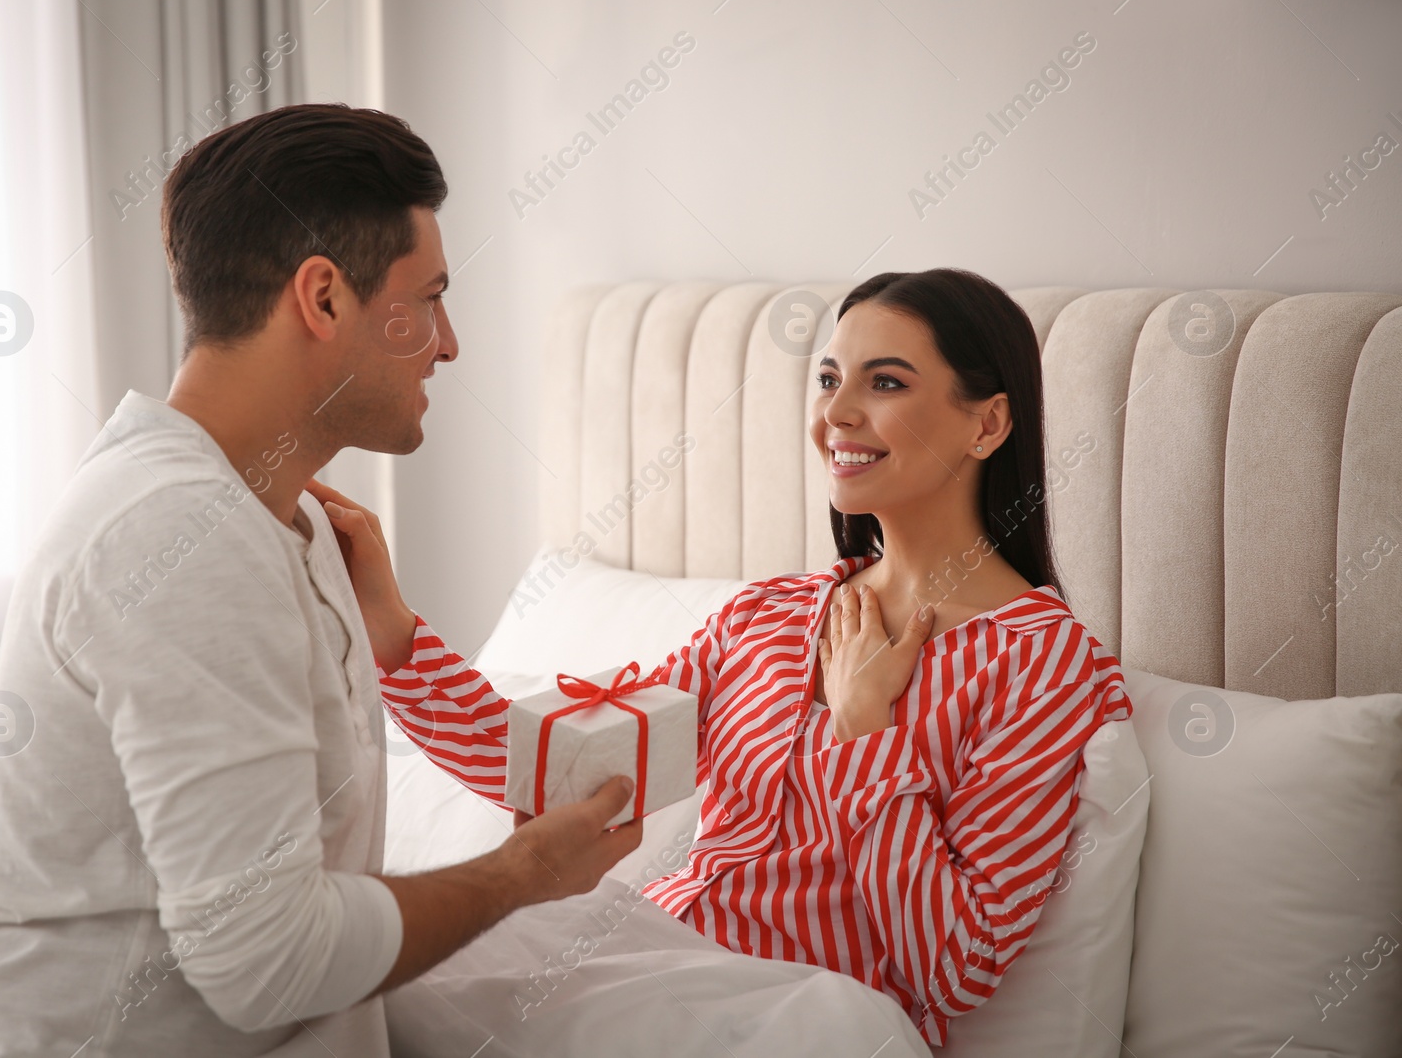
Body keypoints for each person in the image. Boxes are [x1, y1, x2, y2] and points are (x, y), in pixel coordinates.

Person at [0, 104, 642, 1058]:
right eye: (428, 297)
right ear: (324, 298)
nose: (449, 342)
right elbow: (265, 963)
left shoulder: (289, 518)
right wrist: (521, 871)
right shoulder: (181, 533)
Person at [326, 267, 1132, 1048]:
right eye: (827, 380)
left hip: (817, 1016)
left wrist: (861, 730)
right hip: (656, 957)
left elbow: (955, 965)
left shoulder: (1042, 664)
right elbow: (557, 757)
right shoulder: (766, 618)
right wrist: (392, 630)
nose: (836, 414)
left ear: (987, 423)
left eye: (884, 383)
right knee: (375, 971)